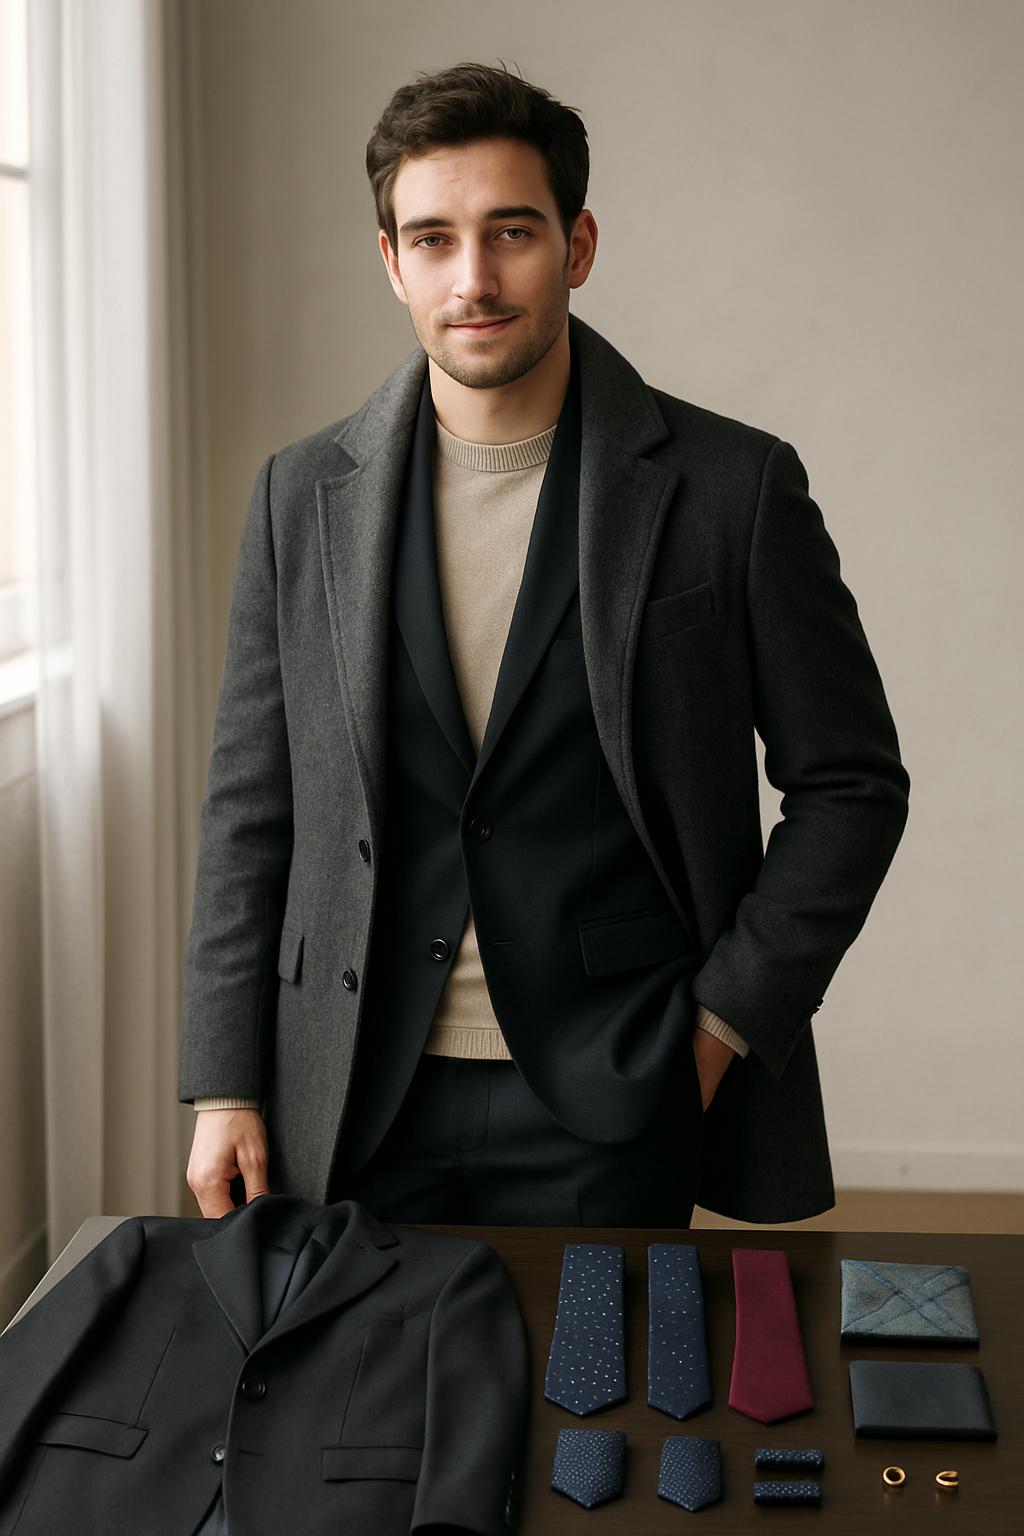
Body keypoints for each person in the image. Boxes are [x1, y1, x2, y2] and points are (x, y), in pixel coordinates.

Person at [180, 63, 909, 1228]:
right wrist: (224, 1077)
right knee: (359, 1410)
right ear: (391, 262)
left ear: (576, 245)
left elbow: (852, 787)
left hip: (617, 1088)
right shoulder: (300, 494)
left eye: (510, 232)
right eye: (431, 239)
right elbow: (250, 804)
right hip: (354, 1086)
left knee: (597, 1409)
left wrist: (717, 1031)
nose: (471, 279)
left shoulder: (733, 489)